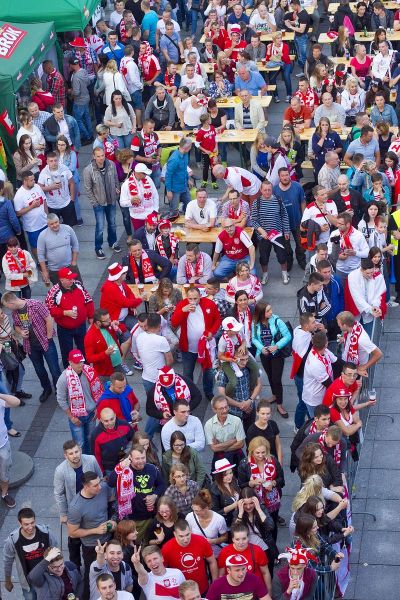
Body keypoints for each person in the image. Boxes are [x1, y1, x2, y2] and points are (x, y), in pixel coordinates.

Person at [2, 292, 61, 404]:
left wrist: (48, 338)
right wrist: (21, 332)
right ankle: (47, 389)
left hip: (45, 342)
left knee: (54, 369)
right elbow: (16, 325)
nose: (7, 309)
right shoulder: (15, 312)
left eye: (7, 306)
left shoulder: (35, 304)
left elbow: (49, 319)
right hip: (30, 346)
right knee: (39, 370)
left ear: (11, 302)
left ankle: (59, 391)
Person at [53, 439, 102, 568]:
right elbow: (59, 493)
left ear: (80, 450)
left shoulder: (91, 460)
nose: (74, 455)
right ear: (65, 455)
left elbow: (100, 478)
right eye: (71, 453)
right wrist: (63, 513)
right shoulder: (60, 470)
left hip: (91, 504)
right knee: (74, 540)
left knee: (91, 537)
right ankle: (74, 568)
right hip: (74, 509)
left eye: (76, 451)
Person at [171, 287, 221, 400]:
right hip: (188, 348)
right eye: (190, 299)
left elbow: (217, 320)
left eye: (195, 298)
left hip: (206, 347)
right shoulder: (182, 305)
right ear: (186, 297)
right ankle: (189, 392)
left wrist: (211, 332)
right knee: (188, 372)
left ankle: (208, 392)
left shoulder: (209, 304)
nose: (192, 301)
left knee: (208, 372)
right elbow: (174, 322)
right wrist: (182, 311)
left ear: (200, 296)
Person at [108, 444, 166, 540]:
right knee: (132, 543)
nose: (141, 461)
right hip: (130, 517)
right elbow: (111, 482)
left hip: (149, 515)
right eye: (137, 458)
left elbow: (162, 485)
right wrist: (120, 467)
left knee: (148, 541)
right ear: (130, 458)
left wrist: (154, 495)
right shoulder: (125, 469)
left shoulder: (152, 468)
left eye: (143, 458)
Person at [56, 349, 103, 454]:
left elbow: (98, 390)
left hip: (91, 413)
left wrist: (98, 408)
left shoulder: (90, 371)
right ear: (70, 362)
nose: (80, 365)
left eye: (81, 361)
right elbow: (61, 399)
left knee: (91, 439)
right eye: (77, 362)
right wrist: (71, 417)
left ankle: (90, 459)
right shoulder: (64, 378)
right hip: (76, 416)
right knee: (79, 443)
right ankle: (81, 461)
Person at [3, 507, 58, 598]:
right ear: (20, 523)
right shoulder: (12, 541)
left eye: (32, 523)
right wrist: (8, 580)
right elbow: (7, 561)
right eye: (26, 524)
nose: (30, 527)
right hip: (28, 583)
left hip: (47, 577)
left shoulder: (46, 533)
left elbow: (56, 551)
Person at [238, 437, 285, 542]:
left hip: (272, 500)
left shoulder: (273, 460)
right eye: (257, 452)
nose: (260, 455)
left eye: (263, 452)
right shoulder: (244, 464)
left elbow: (281, 479)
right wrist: (251, 483)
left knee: (272, 525)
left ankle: (272, 546)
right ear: (251, 451)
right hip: (253, 502)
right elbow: (241, 485)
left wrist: (273, 483)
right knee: (257, 526)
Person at [46, 267, 94, 367]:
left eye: (72, 278)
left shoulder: (78, 284)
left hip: (81, 325)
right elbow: (49, 310)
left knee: (84, 348)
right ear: (61, 280)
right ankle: (69, 370)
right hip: (65, 329)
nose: (72, 280)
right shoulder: (54, 292)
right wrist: (64, 313)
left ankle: (86, 368)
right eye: (69, 279)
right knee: (67, 352)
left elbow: (88, 300)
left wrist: (91, 316)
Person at [250, 180, 291, 285]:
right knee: (264, 257)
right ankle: (265, 274)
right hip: (263, 236)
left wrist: (286, 230)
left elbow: (284, 216)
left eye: (269, 190)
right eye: (265, 190)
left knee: (282, 256)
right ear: (261, 190)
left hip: (277, 234)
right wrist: (261, 231)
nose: (267, 192)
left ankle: (284, 273)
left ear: (272, 190)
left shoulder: (278, 200)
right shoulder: (256, 203)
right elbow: (253, 220)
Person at [83, 147, 121, 259]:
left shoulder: (111, 165)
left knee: (112, 223)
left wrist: (116, 192)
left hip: (111, 200)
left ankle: (112, 242)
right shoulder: (88, 170)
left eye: (102, 155)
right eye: (98, 156)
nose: (101, 158)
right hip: (99, 203)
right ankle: (98, 248)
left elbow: (116, 179)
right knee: (100, 226)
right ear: (94, 156)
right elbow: (88, 189)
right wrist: (95, 203)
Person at [162, 519, 218, 595]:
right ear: (175, 534)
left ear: (190, 530)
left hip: (202, 589)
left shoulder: (201, 541)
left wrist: (215, 583)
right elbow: (163, 571)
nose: (185, 539)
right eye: (181, 536)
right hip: (180, 592)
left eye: (187, 534)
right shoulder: (166, 549)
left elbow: (212, 561)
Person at [146, 365, 201, 438]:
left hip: (185, 419)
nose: (168, 387)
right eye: (165, 386)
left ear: (174, 377)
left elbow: (198, 396)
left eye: (170, 385)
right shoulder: (153, 392)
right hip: (167, 423)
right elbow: (149, 410)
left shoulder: (185, 382)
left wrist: (186, 409)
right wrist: (162, 414)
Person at [217, 350, 261, 433]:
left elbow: (258, 385)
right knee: (234, 436)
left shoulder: (250, 368)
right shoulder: (224, 372)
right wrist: (241, 405)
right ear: (234, 358)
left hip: (250, 408)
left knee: (250, 433)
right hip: (233, 411)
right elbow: (222, 395)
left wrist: (250, 401)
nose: (244, 362)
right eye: (242, 359)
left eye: (246, 359)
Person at [273, 167, 306, 270]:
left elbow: (303, 202)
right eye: (282, 175)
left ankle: (301, 261)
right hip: (283, 225)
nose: (285, 177)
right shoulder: (274, 190)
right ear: (279, 177)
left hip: (297, 221)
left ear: (289, 175)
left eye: (287, 175)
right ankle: (289, 262)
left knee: (301, 244)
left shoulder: (297, 186)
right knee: (286, 247)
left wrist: (304, 218)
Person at [344, 258, 386, 336]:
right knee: (354, 336)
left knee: (369, 336)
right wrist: (370, 309)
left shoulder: (378, 276)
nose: (370, 275)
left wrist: (376, 306)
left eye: (372, 272)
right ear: (361, 270)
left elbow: (379, 294)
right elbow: (357, 297)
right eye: (367, 273)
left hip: (370, 313)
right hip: (356, 311)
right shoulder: (352, 276)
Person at [204, 394, 246, 470]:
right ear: (214, 410)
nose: (225, 410)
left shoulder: (237, 420)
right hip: (219, 458)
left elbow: (241, 444)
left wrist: (220, 446)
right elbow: (214, 448)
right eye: (221, 408)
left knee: (241, 475)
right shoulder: (209, 424)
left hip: (236, 456)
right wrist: (232, 441)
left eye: (226, 407)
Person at [13, 171, 48, 260]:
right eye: (31, 180)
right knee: (35, 245)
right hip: (32, 227)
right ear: (25, 181)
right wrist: (32, 206)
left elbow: (44, 201)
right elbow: (18, 213)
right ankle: (39, 261)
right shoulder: (19, 195)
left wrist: (47, 216)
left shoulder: (37, 187)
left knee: (47, 242)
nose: (34, 181)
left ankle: (47, 258)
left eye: (34, 179)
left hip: (44, 222)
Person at [37, 213, 80, 285]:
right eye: (51, 224)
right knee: (60, 290)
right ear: (48, 225)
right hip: (54, 270)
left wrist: (74, 261)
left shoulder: (68, 229)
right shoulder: (42, 235)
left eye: (56, 222)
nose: (55, 225)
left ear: (59, 221)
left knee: (77, 287)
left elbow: (75, 244)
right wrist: (44, 271)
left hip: (70, 266)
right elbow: (40, 254)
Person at [100, 262, 142, 333]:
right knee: (128, 337)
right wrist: (141, 299)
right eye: (124, 273)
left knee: (140, 329)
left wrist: (133, 305)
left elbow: (130, 294)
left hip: (126, 317)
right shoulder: (110, 288)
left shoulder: (121, 282)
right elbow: (126, 303)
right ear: (118, 276)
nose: (126, 273)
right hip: (115, 321)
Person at [302, 331, 337, 418]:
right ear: (326, 344)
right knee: (317, 422)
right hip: (314, 400)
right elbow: (328, 384)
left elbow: (337, 361)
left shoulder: (324, 351)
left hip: (321, 396)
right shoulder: (315, 363)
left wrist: (356, 369)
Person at [136, 312, 174, 392]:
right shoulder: (161, 340)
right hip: (159, 378)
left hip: (146, 377)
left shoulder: (139, 336)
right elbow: (170, 361)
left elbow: (139, 354)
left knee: (150, 399)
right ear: (159, 326)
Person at [336, 311, 383, 375]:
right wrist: (344, 339)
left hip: (355, 369)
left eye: (339, 324)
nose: (338, 325)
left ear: (344, 325)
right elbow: (351, 339)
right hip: (347, 363)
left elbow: (379, 354)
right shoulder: (354, 326)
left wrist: (364, 367)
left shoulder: (362, 340)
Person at [84, 308, 125, 379]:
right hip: (105, 372)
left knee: (125, 385)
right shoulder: (90, 336)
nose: (110, 321)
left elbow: (124, 330)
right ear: (98, 322)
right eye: (107, 320)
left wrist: (119, 324)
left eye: (109, 318)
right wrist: (105, 354)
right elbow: (89, 358)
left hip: (118, 364)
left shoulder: (107, 325)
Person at [91, 407, 134, 475]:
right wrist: (103, 473)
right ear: (101, 420)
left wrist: (127, 453)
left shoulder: (124, 424)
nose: (110, 423)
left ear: (115, 416)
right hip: (110, 469)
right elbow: (96, 456)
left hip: (127, 463)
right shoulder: (95, 434)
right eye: (106, 421)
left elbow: (133, 440)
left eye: (112, 419)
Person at [330, 212, 370, 286]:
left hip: (355, 271)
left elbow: (367, 253)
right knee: (341, 291)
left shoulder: (358, 235)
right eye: (337, 223)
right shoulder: (334, 234)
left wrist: (355, 253)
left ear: (348, 224)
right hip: (340, 270)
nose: (337, 225)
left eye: (340, 224)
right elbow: (329, 252)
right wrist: (338, 256)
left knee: (354, 292)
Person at [246, 399, 283, 465]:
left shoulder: (273, 424)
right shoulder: (251, 431)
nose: (265, 417)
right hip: (260, 461)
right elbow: (250, 451)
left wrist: (279, 463)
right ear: (257, 413)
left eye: (268, 414)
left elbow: (278, 445)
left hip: (273, 458)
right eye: (263, 414)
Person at [164, 137, 193, 213]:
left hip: (184, 186)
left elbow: (184, 170)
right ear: (186, 147)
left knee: (190, 205)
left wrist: (188, 179)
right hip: (175, 189)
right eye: (190, 146)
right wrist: (169, 191)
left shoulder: (185, 154)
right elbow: (168, 175)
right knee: (174, 210)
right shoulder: (174, 159)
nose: (191, 148)